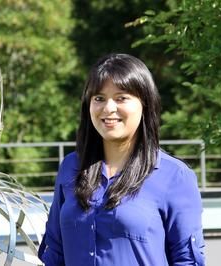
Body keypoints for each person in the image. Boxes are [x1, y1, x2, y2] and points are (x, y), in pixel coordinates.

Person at [38, 53, 205, 266]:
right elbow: (55, 251)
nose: (109, 108)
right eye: (99, 98)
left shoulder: (175, 176)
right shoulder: (71, 167)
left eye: (121, 98)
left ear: (145, 103)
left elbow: (187, 261)